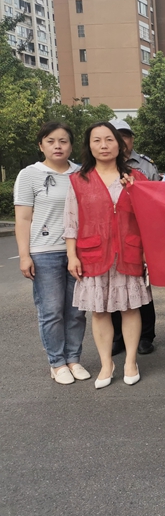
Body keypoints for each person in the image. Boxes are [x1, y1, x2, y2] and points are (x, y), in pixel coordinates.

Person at [64, 122, 151, 389]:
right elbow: (71, 221)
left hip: (129, 250)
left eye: (109, 140)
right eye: (97, 140)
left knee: (130, 308)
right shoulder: (78, 180)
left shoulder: (136, 177)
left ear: (119, 144)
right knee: (99, 311)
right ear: (89, 146)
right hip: (92, 252)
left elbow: (149, 217)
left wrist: (135, 190)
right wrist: (72, 255)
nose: (103, 145)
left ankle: (131, 361)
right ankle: (106, 364)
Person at [14, 122, 89, 385]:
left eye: (63, 141)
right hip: (44, 252)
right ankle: (57, 363)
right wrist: (25, 255)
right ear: (41, 145)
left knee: (77, 310)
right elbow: (23, 218)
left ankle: (74, 359)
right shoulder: (29, 175)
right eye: (50, 141)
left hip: (78, 252)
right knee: (52, 310)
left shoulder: (82, 173)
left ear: (71, 145)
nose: (57, 146)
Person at [109, 119, 158, 356]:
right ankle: (118, 337)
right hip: (110, 239)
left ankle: (146, 336)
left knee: (141, 289)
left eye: (125, 136)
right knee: (113, 289)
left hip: (138, 236)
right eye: (115, 137)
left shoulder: (146, 166)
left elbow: (157, 202)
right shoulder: (100, 167)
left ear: (132, 139)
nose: (121, 141)